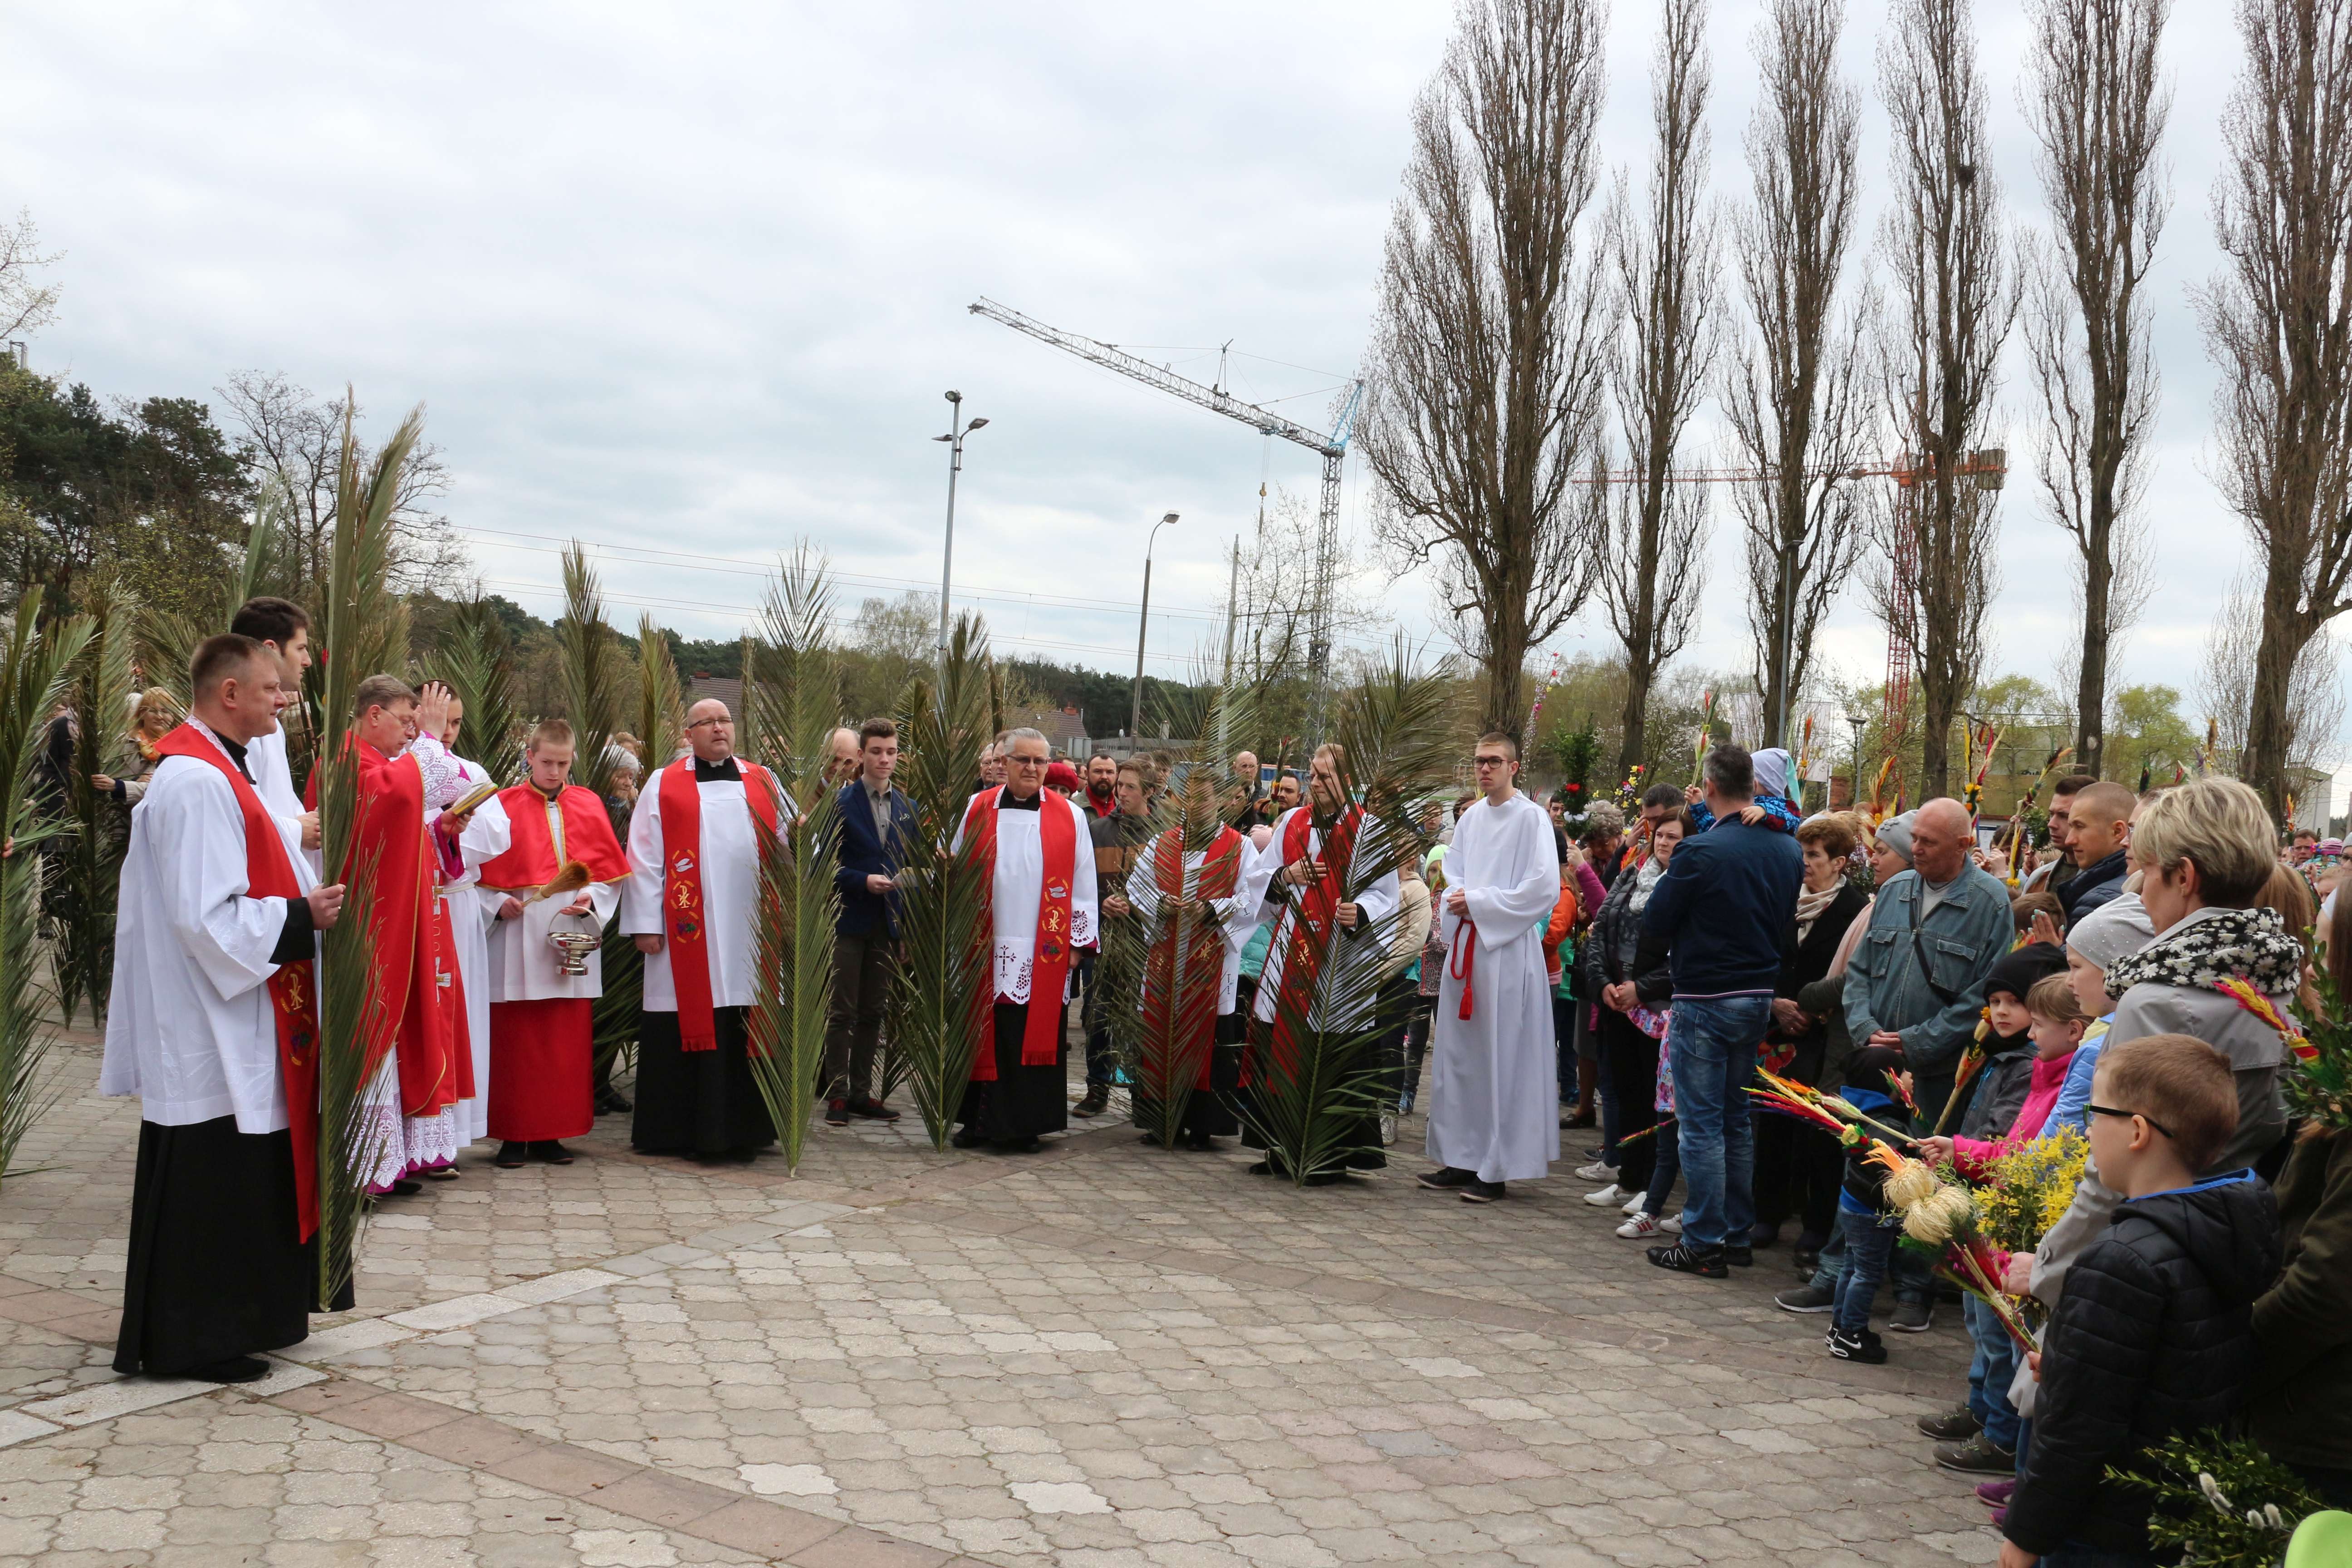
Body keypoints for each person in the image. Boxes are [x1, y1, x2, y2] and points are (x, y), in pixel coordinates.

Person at [101, 633, 348, 1382]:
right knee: (211, 1183)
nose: (284, 700)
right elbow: (205, 917)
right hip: (210, 1019)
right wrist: (301, 916)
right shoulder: (198, 781)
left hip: (235, 1009)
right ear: (230, 693)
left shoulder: (216, 769)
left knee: (239, 1176)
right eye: (273, 688)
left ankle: (245, 1320)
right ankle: (195, 1339)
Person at [2000, 1034, 2280, 1568]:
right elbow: (2167, 1370)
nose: (2087, 1130)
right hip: (2164, 1515)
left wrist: (2026, 1536)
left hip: (2102, 1522)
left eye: (2094, 1113)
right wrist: (2067, 1365)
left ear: (2136, 1132)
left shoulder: (2119, 1259)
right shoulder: (2218, 1233)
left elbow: (2079, 1427)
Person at [1636, 745, 1805, 1279]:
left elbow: (1655, 921)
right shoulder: (1788, 850)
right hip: (1756, 995)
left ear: (1709, 787)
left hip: (1705, 996)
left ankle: (1704, 1241)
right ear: (1752, 786)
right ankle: (1735, 1234)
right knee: (1735, 1120)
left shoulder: (1701, 850)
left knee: (1702, 1125)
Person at [317, 676, 471, 1196]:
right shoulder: (344, 760)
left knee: (393, 1043)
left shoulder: (373, 760)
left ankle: (386, 1163)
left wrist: (439, 829)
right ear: (374, 715)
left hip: (389, 921)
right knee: (369, 1040)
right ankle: (361, 1170)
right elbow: (387, 800)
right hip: (362, 927)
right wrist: (429, 740)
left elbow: (409, 806)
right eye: (405, 720)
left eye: (414, 722)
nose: (410, 731)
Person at [459, 720, 629, 1168]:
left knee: (562, 1041)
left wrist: (591, 897)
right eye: (547, 762)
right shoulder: (501, 807)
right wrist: (496, 904)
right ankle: (513, 1136)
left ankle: (552, 1133)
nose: (554, 771)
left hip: (569, 938)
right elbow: (469, 875)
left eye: (563, 764)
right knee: (515, 1041)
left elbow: (608, 877)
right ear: (529, 757)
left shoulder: (589, 804)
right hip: (515, 940)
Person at [623, 698, 785, 1162]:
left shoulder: (764, 780)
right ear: (688, 733)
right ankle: (678, 1131)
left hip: (752, 930)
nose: (718, 729)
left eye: (725, 721)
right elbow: (643, 858)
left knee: (744, 1016)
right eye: (708, 722)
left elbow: (790, 842)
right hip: (685, 932)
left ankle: (746, 1129)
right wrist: (645, 924)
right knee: (686, 1011)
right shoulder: (664, 782)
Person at [1244, 742, 1401, 1179]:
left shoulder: (1369, 830)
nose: (1315, 782)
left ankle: (1328, 1156)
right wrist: (1285, 876)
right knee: (1282, 1042)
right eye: (1312, 774)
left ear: (1346, 781)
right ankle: (1280, 1147)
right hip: (1289, 951)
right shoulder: (1293, 822)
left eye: (1324, 776)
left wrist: (1363, 911)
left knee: (1328, 1049)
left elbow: (1386, 894)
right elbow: (1259, 878)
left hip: (1338, 959)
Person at [1419, 733, 1562, 1203]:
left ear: (1513, 767)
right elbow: (1454, 874)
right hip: (1468, 948)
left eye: (1494, 761)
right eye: (1480, 761)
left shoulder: (1532, 819)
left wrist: (1479, 902)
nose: (1485, 769)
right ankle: (1460, 1156)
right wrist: (1462, 897)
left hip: (1506, 950)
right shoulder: (1472, 818)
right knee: (1461, 1057)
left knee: (1502, 1058)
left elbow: (1543, 888)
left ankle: (1495, 1167)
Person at [2249, 895, 2352, 1510]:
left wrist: (2227, 1361)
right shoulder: (2340, 1075)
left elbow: (2327, 1285)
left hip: (2323, 1420)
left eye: (2325, 950)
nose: (2310, 969)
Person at [951, 727, 1100, 1151]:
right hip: (984, 942)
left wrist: (1077, 945)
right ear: (1005, 763)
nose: (1032, 768)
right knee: (983, 1031)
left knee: (1026, 1034)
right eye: (1023, 760)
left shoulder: (1070, 815)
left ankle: (1024, 1125)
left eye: (1040, 761)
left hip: (1043, 949)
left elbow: (1084, 882)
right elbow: (956, 867)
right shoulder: (977, 807)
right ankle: (976, 1122)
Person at [1842, 797, 2013, 1131]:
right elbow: (1860, 970)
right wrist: (1865, 1030)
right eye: (1914, 838)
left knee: (1923, 1159)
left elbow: (1985, 996)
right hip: (1876, 1071)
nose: (1915, 849)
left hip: (1939, 1079)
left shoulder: (1990, 904)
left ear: (1962, 845)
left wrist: (1917, 1042)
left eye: (1928, 842)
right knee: (1868, 1156)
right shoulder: (1893, 890)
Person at [1753, 813, 1872, 1260]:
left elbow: (1856, 975)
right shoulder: (1784, 898)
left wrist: (1812, 1008)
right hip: (1779, 1031)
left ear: (1839, 863)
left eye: (1814, 855)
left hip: (1825, 1034)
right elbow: (1764, 957)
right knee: (1773, 1125)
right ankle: (1766, 1213)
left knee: (1819, 1135)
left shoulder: (1855, 910)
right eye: (1801, 853)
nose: (1804, 862)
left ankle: (1815, 1226)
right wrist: (1776, 1003)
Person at [1123, 770, 1258, 1150]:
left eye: (1204, 798)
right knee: (1161, 1031)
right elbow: (1138, 887)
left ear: (1220, 801)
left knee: (1209, 1036)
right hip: (1167, 956)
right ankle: (1160, 1120)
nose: (1196, 806)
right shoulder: (1162, 843)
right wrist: (1160, 904)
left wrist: (1211, 909)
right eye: (1190, 798)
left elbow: (1254, 899)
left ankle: (1202, 1125)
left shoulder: (1241, 848)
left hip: (1211, 961)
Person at [1579, 810, 1685, 1211]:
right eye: (1660, 836)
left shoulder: (1687, 884)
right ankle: (1628, 1178)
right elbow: (1600, 928)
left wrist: (1641, 989)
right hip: (1616, 1000)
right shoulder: (1631, 874)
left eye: (1674, 838)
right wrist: (1603, 982)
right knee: (1625, 1093)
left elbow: (1684, 953)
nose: (1664, 843)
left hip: (1656, 1008)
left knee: (1652, 1097)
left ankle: (1650, 1185)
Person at [824, 716, 914, 1127]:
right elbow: (823, 867)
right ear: (861, 755)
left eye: (891, 752)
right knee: (842, 1011)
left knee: (874, 1011)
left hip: (887, 922)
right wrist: (862, 880)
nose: (884, 759)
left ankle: (862, 1093)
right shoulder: (841, 804)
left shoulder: (908, 808)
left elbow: (912, 866)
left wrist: (906, 927)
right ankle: (837, 1094)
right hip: (848, 920)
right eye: (876, 752)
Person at [430, 695, 504, 1156]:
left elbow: (499, 835)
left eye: (456, 723)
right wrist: (436, 827)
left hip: (455, 904)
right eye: (442, 721)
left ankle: (453, 1135)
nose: (448, 731)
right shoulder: (401, 770)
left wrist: (454, 829)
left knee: (461, 1017)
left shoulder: (471, 772)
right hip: (415, 906)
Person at [1820, 1045, 1913, 1365]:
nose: (1910, 1078)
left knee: (1852, 1268)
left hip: (1853, 1205)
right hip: (1871, 1211)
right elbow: (1893, 1169)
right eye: (1904, 1072)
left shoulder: (1862, 1115)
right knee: (1868, 1274)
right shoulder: (1888, 1125)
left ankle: (1840, 1326)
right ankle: (1851, 1335)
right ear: (1889, 1081)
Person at [1081, 759, 1156, 1118]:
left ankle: (1144, 1092)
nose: (1121, 793)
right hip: (1103, 935)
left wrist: (1138, 906)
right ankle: (1097, 1087)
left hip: (1146, 940)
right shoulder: (1097, 830)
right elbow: (1082, 882)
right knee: (1098, 1012)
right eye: (1120, 785)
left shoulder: (1165, 834)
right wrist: (1102, 902)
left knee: (1143, 1015)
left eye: (1130, 787)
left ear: (1150, 792)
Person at [227, 596, 321, 853]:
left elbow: (276, 800)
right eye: (300, 649)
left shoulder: (269, 723)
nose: (307, 661)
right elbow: (235, 815)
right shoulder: (240, 724)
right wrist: (296, 830)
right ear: (270, 649)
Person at [2058, 780, 2136, 926]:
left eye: (2079, 827)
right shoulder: (2134, 883)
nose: (2069, 840)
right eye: (2070, 827)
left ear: (2117, 831)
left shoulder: (2098, 903)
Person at [89, 686, 179, 804]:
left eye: (165, 711)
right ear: (142, 714)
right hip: (121, 812)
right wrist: (135, 780)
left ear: (173, 716)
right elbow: (104, 779)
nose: (159, 717)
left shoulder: (178, 748)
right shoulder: (123, 742)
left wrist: (119, 786)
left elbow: (164, 790)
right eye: (153, 711)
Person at [2023, 774, 2094, 896]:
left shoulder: (2111, 881)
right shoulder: (2038, 878)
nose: (2051, 824)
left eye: (2064, 816)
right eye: (2051, 814)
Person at [1080, 751, 1119, 821]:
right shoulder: (1073, 807)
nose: (1104, 777)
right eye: (1098, 771)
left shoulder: (1124, 810)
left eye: (1110, 772)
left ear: (1116, 776)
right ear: (1087, 774)